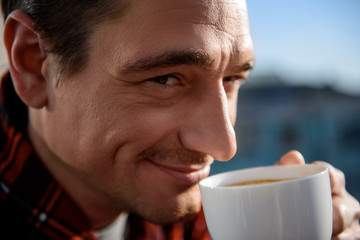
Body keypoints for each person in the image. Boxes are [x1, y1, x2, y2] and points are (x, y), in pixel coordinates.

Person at [0, 0, 359, 239]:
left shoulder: (199, 223)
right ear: (34, 64)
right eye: (165, 79)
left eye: (232, 79)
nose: (224, 145)